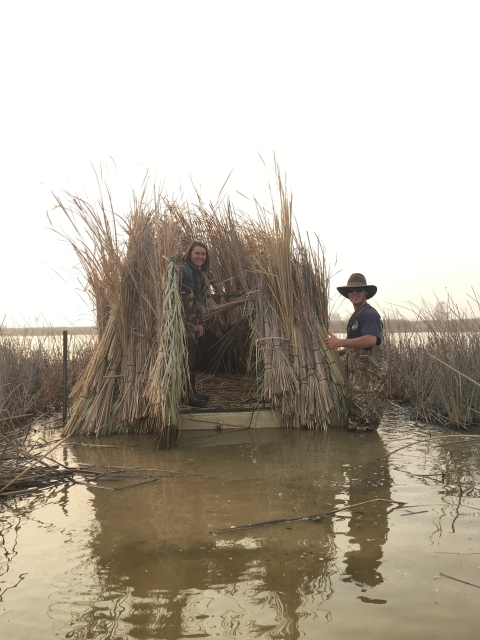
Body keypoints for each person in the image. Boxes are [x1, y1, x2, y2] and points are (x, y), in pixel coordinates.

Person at [325, 273, 387, 431]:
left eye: (358, 289)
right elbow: (357, 347)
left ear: (366, 292)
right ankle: (357, 454)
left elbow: (371, 340)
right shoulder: (356, 315)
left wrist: (339, 342)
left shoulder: (368, 314)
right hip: (357, 386)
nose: (355, 293)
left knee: (364, 429)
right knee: (355, 427)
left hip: (369, 387)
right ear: (347, 294)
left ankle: (366, 455)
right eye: (351, 290)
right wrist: (340, 351)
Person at [175, 242, 210, 408]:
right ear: (189, 254)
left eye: (203, 254)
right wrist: (174, 270)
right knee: (185, 359)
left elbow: (199, 301)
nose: (200, 257)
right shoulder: (185, 268)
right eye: (197, 253)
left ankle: (192, 392)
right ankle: (187, 396)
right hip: (182, 321)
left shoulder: (200, 274)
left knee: (192, 358)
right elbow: (177, 271)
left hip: (193, 322)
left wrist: (200, 322)